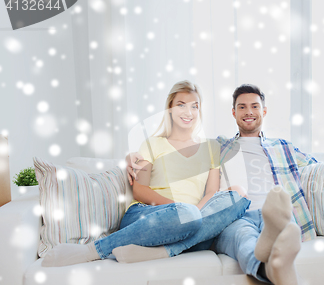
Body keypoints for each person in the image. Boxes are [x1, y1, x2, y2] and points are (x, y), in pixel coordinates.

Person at [126, 84, 324, 285]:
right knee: (242, 238)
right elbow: (180, 148)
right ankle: (268, 269)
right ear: (233, 113)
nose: (248, 111)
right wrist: (132, 158)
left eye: (254, 106)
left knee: (283, 227)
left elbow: (320, 167)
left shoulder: (283, 146)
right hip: (237, 217)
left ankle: (274, 249)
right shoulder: (219, 147)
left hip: (281, 214)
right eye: (242, 107)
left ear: (264, 111)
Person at [42, 80, 251, 267]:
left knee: (239, 195)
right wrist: (179, 209)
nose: (188, 112)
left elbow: (211, 194)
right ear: (170, 108)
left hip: (191, 219)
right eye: (181, 105)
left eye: (194, 106)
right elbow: (140, 190)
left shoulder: (211, 149)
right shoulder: (152, 144)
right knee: (191, 219)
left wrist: (194, 214)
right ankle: (93, 250)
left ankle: (163, 250)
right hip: (148, 214)